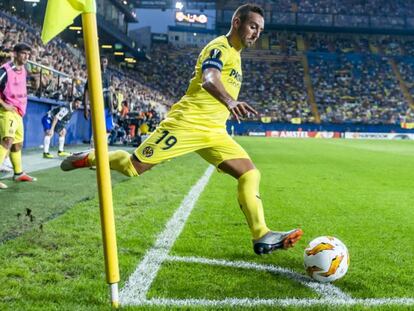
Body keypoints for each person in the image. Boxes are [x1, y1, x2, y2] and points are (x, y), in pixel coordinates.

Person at [61, 4, 303, 255]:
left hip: (214, 131)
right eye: (253, 26)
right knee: (133, 168)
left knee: (250, 174)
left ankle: (261, 235)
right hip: (187, 123)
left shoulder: (237, 56)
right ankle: (88, 157)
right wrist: (231, 102)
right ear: (237, 23)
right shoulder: (220, 47)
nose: (256, 33)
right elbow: (209, 78)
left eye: (260, 30)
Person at [0, 43, 37, 190]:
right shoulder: (5, 70)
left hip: (19, 113)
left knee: (17, 144)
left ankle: (18, 173)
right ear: (15, 54)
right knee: (7, 141)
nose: (26, 56)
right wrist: (4, 105)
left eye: (28, 54)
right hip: (7, 111)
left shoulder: (24, 70)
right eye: (23, 53)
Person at [83, 56, 114, 146]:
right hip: (98, 106)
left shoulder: (108, 75)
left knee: (108, 129)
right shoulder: (94, 74)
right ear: (98, 62)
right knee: (97, 129)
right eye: (102, 62)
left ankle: (102, 147)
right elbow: (86, 91)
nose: (103, 63)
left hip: (108, 107)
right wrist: (86, 108)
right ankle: (93, 148)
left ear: (107, 63)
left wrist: (111, 106)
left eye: (105, 62)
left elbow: (110, 92)